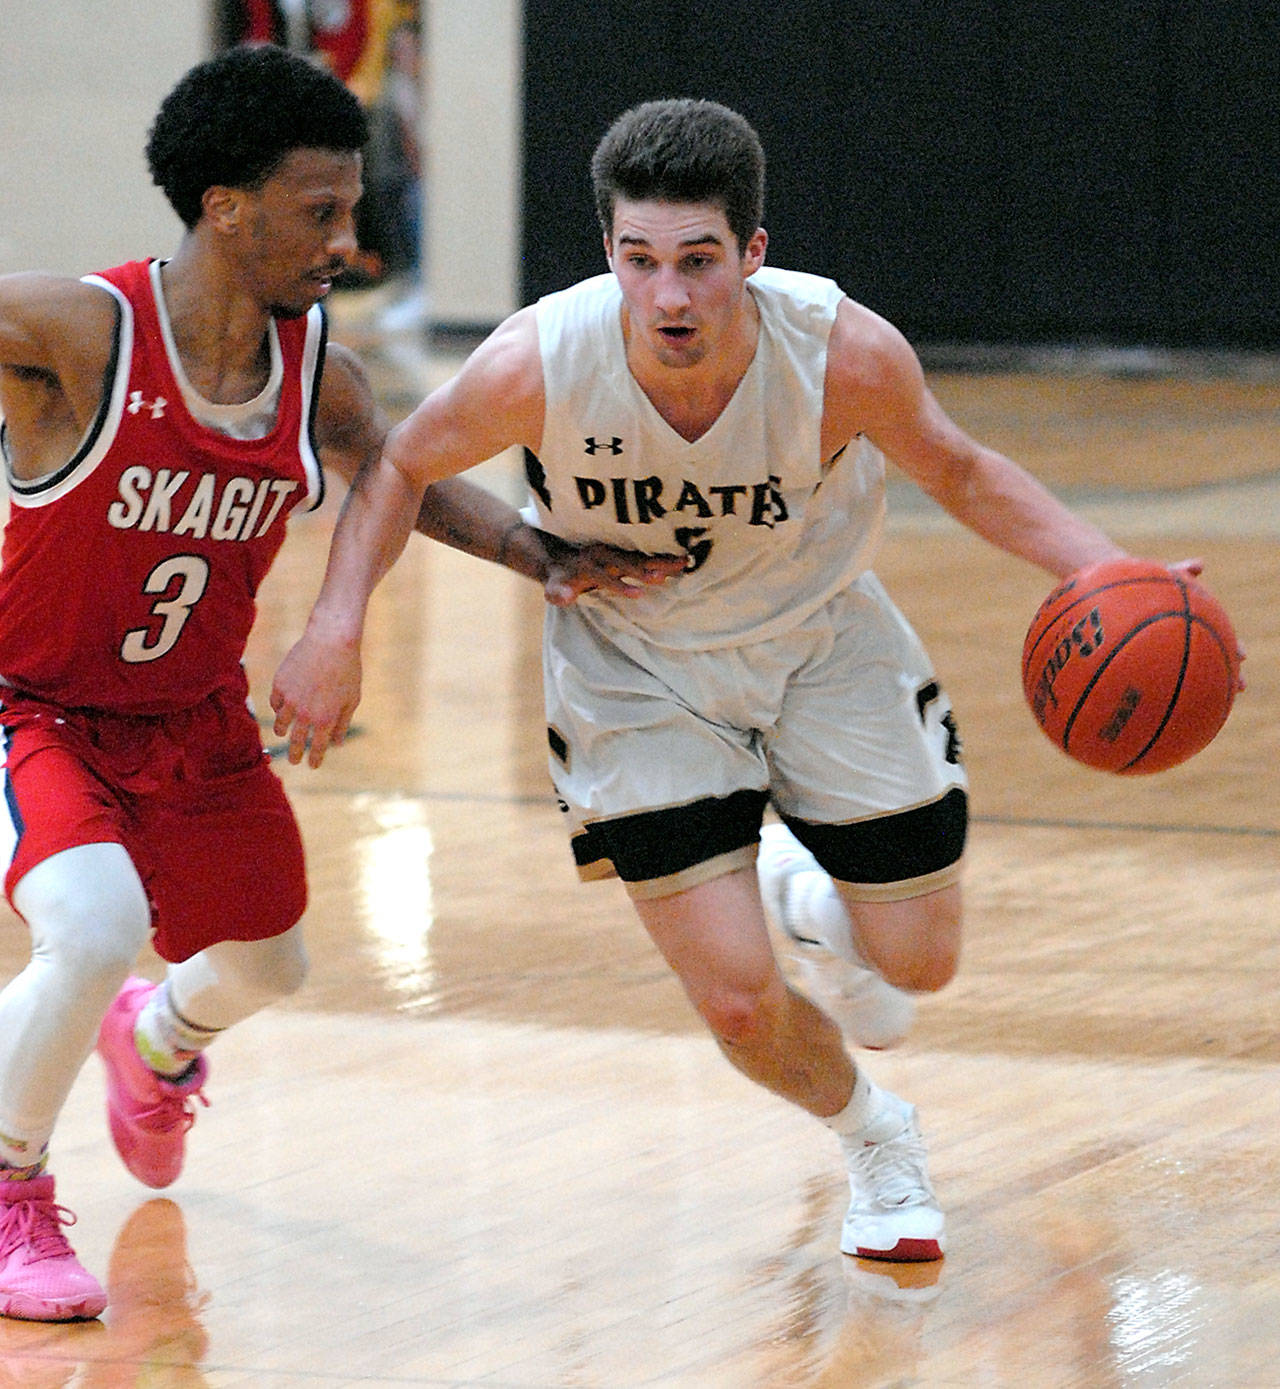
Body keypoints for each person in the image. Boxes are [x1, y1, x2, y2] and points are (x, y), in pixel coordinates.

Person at [269, 97, 1205, 1266]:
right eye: (637, 259)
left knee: (920, 964)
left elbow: (961, 471)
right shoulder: (540, 360)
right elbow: (401, 460)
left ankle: (807, 898)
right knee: (731, 1000)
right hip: (634, 670)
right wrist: (335, 626)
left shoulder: (840, 354)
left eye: (698, 262)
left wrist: (1107, 572)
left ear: (750, 256)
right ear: (607, 251)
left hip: (819, 642)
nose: (667, 296)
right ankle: (875, 1139)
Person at [0, 45, 674, 1324]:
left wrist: (540, 556)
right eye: (323, 212)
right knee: (85, 927)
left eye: (352, 210)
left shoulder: (318, 373)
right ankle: (10, 1189)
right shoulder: (81, 333)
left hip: (193, 726)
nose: (349, 242)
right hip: (33, 709)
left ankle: (155, 1047)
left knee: (267, 965)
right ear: (225, 207)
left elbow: (394, 473)